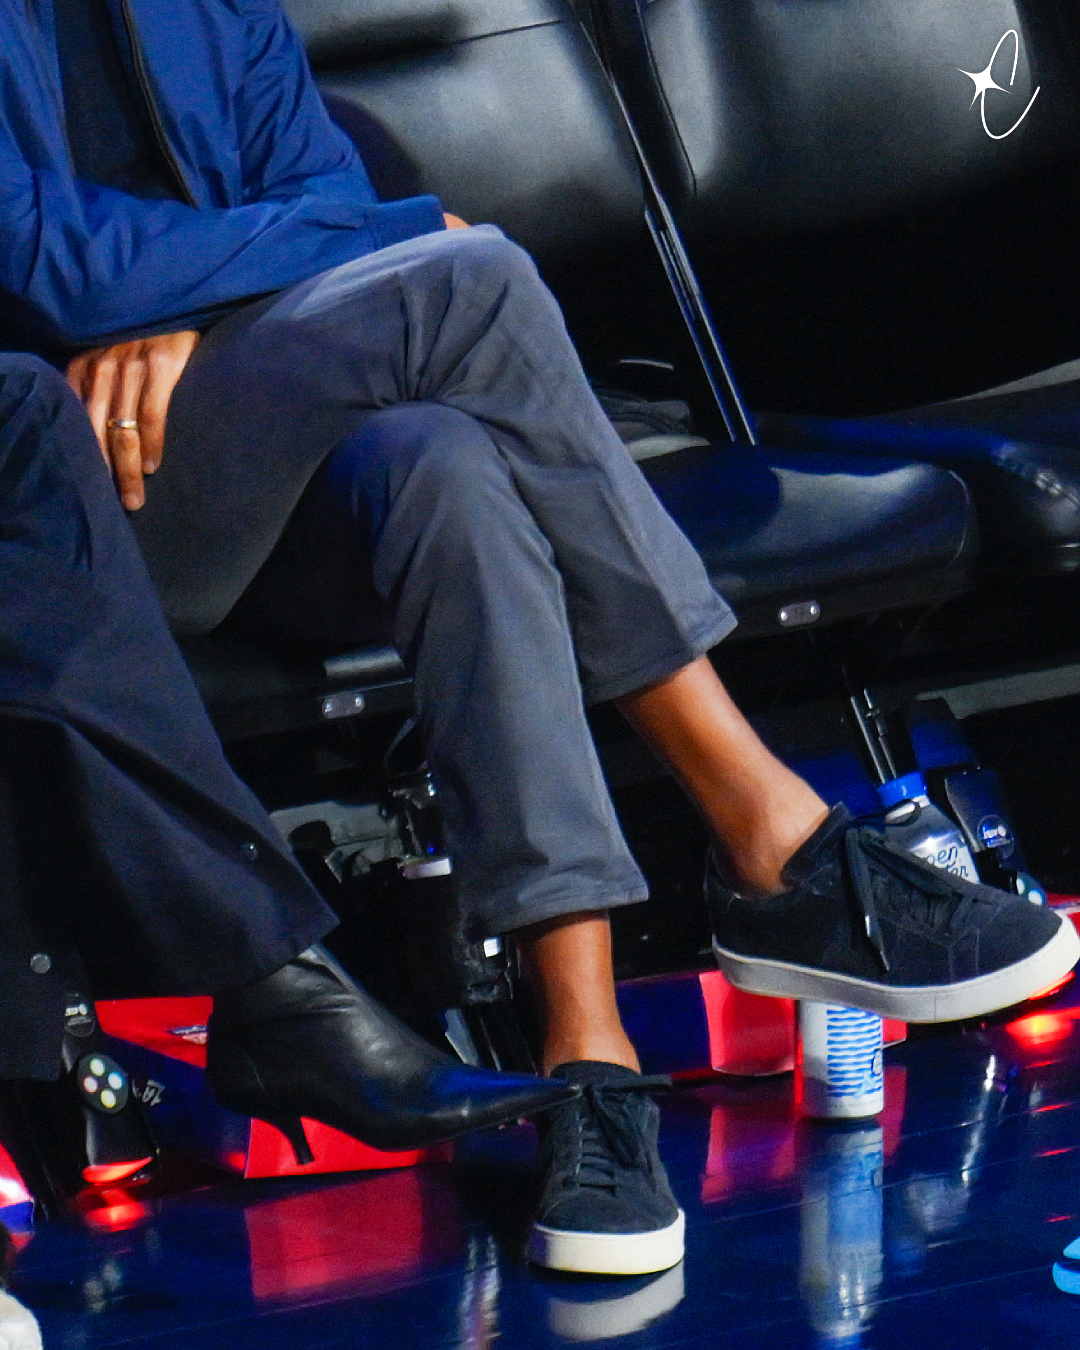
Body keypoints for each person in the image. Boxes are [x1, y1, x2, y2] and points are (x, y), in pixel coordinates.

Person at [0, 0, 1075, 1280]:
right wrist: (244, 275)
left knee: (447, 467)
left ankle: (588, 1062)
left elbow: (310, 199)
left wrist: (189, 296)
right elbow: (40, 263)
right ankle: (768, 837)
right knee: (468, 273)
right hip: (72, 508)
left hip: (230, 428)